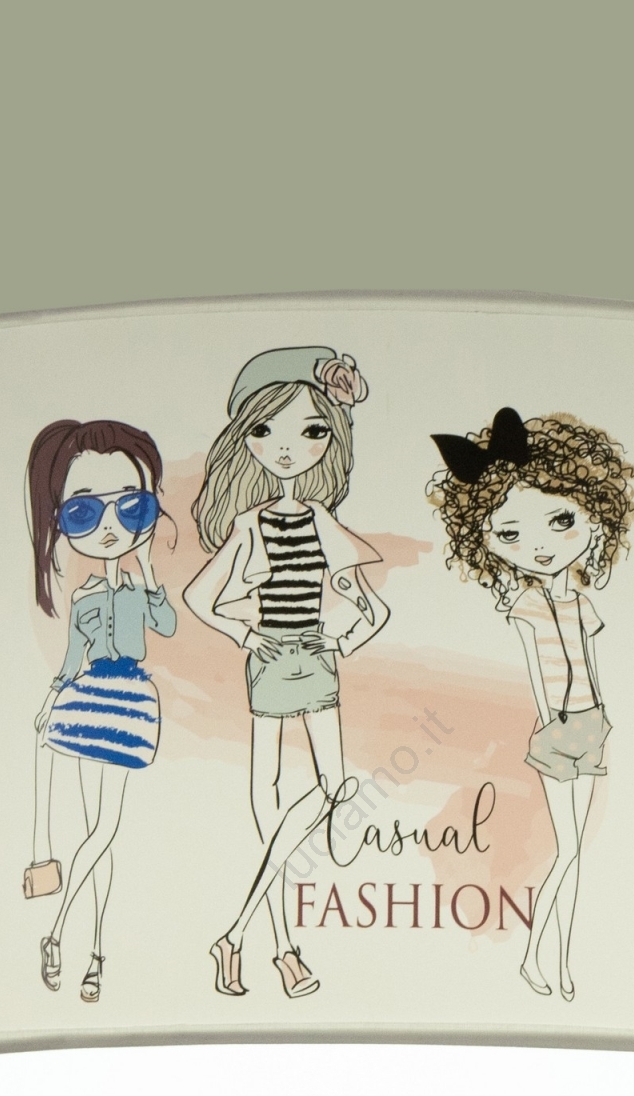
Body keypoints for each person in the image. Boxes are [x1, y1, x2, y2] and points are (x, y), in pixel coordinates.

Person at [186, 347, 386, 999]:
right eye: (266, 429)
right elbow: (200, 598)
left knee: (333, 786)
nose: (287, 446)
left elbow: (373, 608)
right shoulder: (249, 525)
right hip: (271, 658)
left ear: (331, 439)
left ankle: (235, 935)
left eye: (312, 430)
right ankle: (284, 952)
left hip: (315, 658)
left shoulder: (324, 522)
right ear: (246, 439)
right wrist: (248, 635)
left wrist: (344, 637)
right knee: (266, 799)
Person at [429, 407, 634, 1001]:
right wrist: (553, 722)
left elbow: (589, 664)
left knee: (577, 854)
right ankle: (536, 958)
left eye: (560, 521)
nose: (539, 547)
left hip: (592, 724)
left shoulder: (582, 604)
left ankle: (558, 961)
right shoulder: (524, 606)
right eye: (511, 535)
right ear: (485, 541)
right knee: (568, 851)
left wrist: (600, 717)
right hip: (557, 731)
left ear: (594, 517)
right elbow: (535, 672)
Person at [24, 420, 177, 1002]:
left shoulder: (139, 590)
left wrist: (150, 572)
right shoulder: (85, 597)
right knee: (103, 830)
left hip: (131, 702)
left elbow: (167, 625)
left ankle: (81, 945)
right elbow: (71, 659)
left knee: (102, 834)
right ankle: (80, 947)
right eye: (85, 514)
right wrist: (49, 700)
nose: (111, 527)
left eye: (132, 509)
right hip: (91, 701)